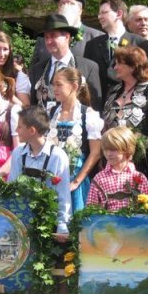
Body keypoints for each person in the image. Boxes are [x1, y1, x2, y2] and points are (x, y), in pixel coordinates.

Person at [9, 106, 72, 294]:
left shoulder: (57, 156)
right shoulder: (19, 153)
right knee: (26, 273)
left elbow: (63, 195)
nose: (17, 130)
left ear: (32, 130)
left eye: (20, 126)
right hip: (25, 224)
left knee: (47, 275)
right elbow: (13, 188)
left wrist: (62, 226)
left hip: (48, 224)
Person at [102, 46, 148, 187]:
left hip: (141, 162)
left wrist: (142, 146)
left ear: (132, 66)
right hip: (113, 160)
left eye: (119, 63)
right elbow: (105, 123)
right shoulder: (114, 91)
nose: (115, 67)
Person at [48, 67, 103, 212]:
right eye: (54, 85)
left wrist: (76, 182)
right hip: (52, 176)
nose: (55, 89)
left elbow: (96, 153)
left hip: (75, 177)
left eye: (59, 84)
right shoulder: (52, 112)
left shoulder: (88, 114)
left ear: (74, 86)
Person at [84, 0, 148, 104]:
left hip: (129, 104)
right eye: (99, 13)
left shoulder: (139, 43)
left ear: (119, 14)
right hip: (97, 104)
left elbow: (145, 77)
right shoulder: (92, 45)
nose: (99, 17)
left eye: (104, 12)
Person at [29, 14, 101, 112]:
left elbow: (95, 106)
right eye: (46, 37)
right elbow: (33, 105)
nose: (48, 41)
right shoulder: (37, 69)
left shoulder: (89, 67)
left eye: (53, 36)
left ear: (67, 37)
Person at [30, 0, 104, 68]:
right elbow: (33, 70)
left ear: (80, 10)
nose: (65, 7)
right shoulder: (43, 39)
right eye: (62, 4)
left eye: (70, 3)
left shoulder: (97, 37)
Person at [86, 126, 148, 211]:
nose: (108, 154)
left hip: (135, 219)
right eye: (105, 149)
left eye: (113, 149)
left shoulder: (139, 177)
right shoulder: (99, 179)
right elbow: (90, 208)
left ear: (127, 150)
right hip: (107, 219)